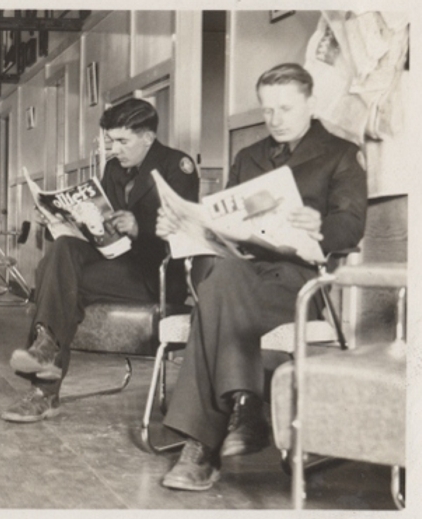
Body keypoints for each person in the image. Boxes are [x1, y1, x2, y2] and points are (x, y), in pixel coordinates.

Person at [158, 63, 367, 491]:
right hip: (243, 270)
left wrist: (319, 224)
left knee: (215, 296)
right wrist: (182, 226)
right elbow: (222, 222)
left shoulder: (341, 154)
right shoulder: (247, 156)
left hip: (302, 279)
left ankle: (203, 445)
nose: (275, 119)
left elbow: (352, 226)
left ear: (311, 103)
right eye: (267, 109)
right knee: (223, 278)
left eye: (285, 108)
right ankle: (244, 404)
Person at [0, 98, 200, 423]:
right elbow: (98, 226)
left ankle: (44, 386)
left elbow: (188, 229)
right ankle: (45, 349)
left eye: (123, 141)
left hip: (155, 275)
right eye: (111, 142)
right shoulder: (113, 170)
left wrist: (141, 228)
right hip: (114, 265)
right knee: (62, 249)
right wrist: (57, 220)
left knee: (64, 284)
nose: (115, 150)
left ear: (148, 137)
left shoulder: (177, 167)